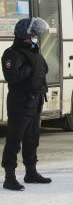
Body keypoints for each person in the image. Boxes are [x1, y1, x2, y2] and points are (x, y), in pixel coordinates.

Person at [1, 18, 51, 191]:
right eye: (32, 36)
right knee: (14, 140)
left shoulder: (33, 51)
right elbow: (12, 76)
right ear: (25, 35)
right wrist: (32, 68)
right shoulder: (12, 53)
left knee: (32, 139)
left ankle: (31, 172)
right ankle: (9, 177)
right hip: (20, 102)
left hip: (35, 101)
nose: (35, 38)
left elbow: (44, 68)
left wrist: (36, 66)